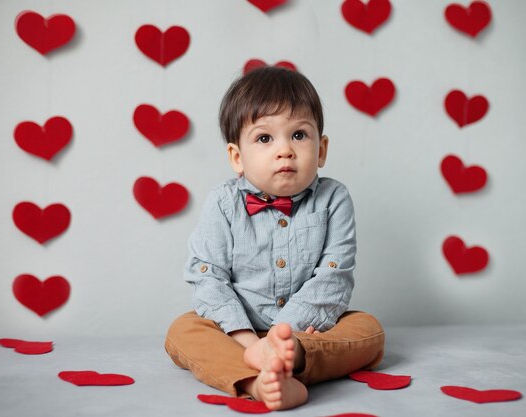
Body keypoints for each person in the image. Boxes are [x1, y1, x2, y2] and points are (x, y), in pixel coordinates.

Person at [165, 67, 384, 411]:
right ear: (237, 157)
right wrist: (250, 342)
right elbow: (208, 274)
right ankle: (258, 380)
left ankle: (290, 361)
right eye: (265, 139)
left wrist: (285, 338)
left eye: (299, 135)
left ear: (322, 149)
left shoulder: (334, 199)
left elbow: (334, 276)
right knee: (183, 330)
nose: (285, 150)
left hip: (308, 330)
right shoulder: (223, 202)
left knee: (367, 330)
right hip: (238, 332)